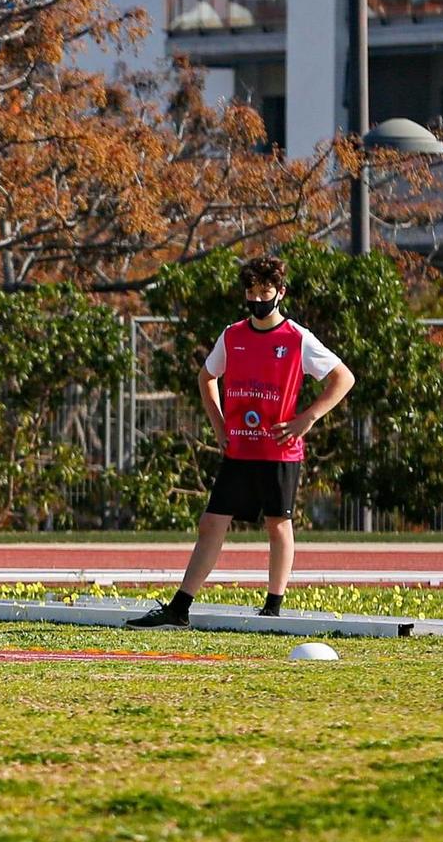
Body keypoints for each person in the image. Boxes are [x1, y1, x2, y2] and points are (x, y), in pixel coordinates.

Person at [128, 255, 355, 629]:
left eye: (265, 291)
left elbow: (342, 378)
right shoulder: (233, 335)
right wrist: (220, 427)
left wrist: (307, 418)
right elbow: (206, 378)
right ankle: (179, 607)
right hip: (239, 450)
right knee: (211, 522)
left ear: (280, 293)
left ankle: (273, 606)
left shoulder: (297, 338)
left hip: (279, 450)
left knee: (277, 524)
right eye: (251, 292)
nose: (257, 299)